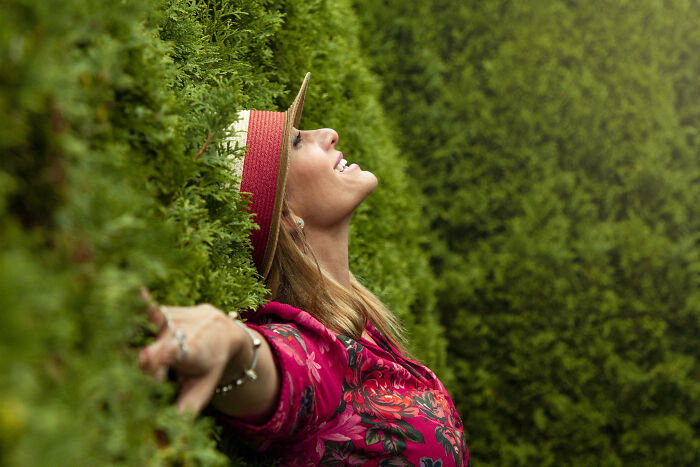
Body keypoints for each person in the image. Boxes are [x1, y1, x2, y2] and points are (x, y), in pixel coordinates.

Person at [138, 73, 470, 466]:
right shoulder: (312, 351)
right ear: (284, 214)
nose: (329, 133)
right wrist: (230, 342)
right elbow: (278, 367)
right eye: (297, 141)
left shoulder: (361, 326)